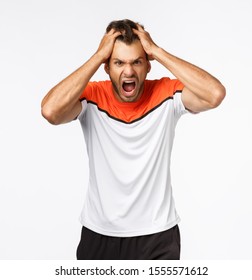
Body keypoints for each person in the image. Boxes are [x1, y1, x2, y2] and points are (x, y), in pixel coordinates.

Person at [41, 19, 225, 260]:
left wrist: (157, 51)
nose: (128, 71)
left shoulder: (167, 93)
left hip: (158, 235)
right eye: (118, 62)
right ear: (107, 67)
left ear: (148, 66)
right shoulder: (92, 95)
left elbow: (214, 94)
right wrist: (98, 56)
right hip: (99, 235)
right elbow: (50, 112)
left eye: (137, 62)